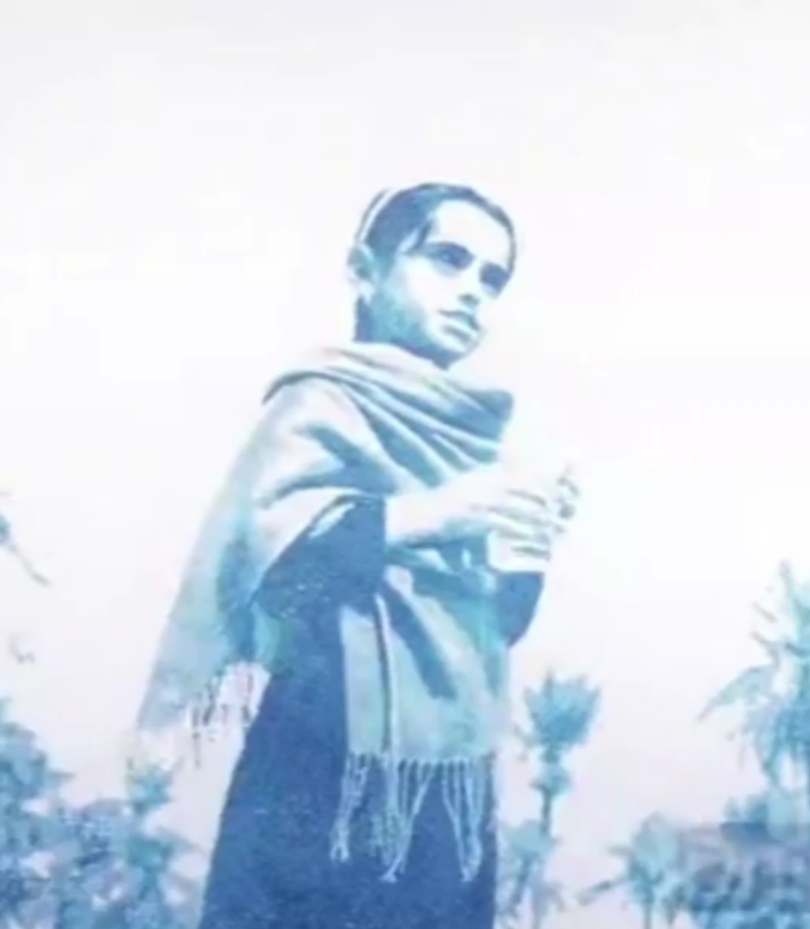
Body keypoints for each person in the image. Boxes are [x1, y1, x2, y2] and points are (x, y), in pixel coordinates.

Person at [129, 182, 577, 929]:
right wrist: (433, 515)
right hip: (321, 763)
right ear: (364, 270)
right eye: (448, 259)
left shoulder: (479, 439)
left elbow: (493, 631)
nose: (472, 290)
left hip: (446, 784)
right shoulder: (320, 403)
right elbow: (272, 578)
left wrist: (527, 547)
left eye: (492, 278)